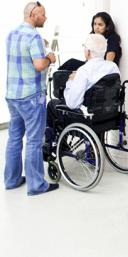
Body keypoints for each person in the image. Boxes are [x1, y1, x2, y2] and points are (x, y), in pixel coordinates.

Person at [4, 2, 59, 195]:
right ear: (33, 14)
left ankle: (11, 180)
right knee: (34, 141)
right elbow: (38, 65)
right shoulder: (34, 36)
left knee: (14, 138)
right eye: (43, 15)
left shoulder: (12, 33)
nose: (45, 18)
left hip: (12, 95)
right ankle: (36, 185)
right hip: (31, 97)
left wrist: (39, 45)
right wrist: (50, 58)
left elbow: (23, 56)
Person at [47, 33, 120, 127]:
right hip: (108, 115)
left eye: (84, 47)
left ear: (88, 52)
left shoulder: (84, 71)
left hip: (87, 119)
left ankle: (51, 141)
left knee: (52, 104)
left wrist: (71, 81)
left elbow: (72, 104)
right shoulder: (113, 67)